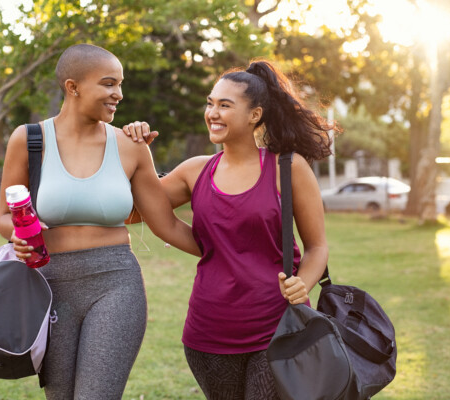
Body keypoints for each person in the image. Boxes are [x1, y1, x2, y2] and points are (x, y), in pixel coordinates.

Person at [0, 43, 201, 400]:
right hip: (49, 286)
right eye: (108, 84)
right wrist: (18, 235)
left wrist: (230, 251)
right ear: (73, 87)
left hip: (116, 285)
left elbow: (165, 224)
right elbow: (3, 216)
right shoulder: (29, 140)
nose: (118, 94)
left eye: (120, 85)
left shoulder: (130, 145)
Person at [124, 59, 336, 399]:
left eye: (225, 105)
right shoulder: (195, 171)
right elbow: (133, 212)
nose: (212, 113)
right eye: (210, 103)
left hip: (278, 327)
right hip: (208, 333)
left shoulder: (288, 167)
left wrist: (303, 282)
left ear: (254, 115)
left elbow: (317, 248)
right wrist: (135, 153)